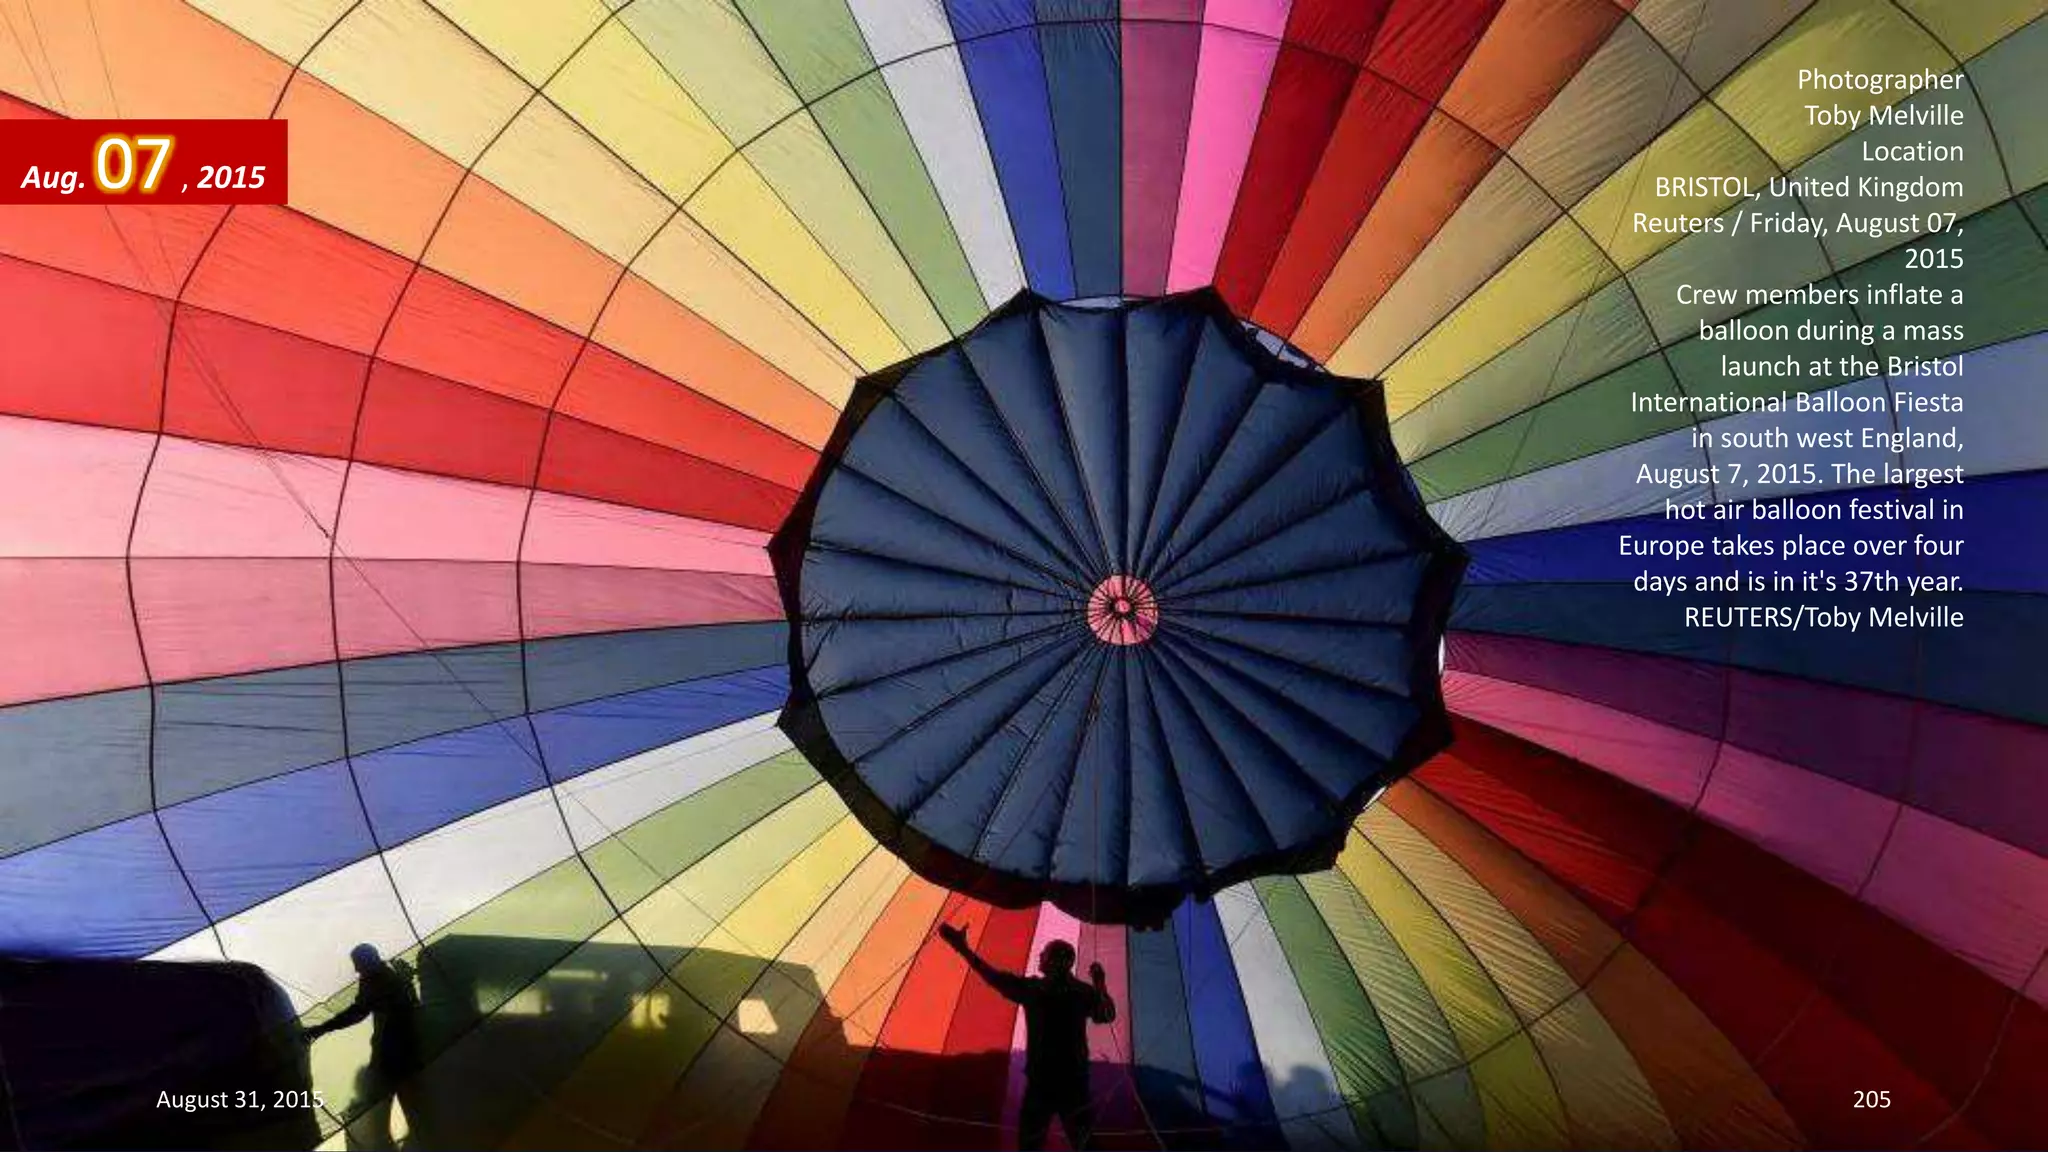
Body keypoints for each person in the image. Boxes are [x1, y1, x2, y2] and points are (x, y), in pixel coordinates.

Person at [939, 923, 1115, 1150]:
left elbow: (992, 977)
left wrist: (962, 949)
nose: (1040, 957)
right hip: (1074, 1082)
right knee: (1085, 1143)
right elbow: (1108, 1015)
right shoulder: (1082, 993)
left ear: (1051, 961)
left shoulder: (1034, 990)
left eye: (1044, 954)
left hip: (1042, 1083)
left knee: (1031, 1145)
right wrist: (1099, 984)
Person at [302, 944, 429, 1150]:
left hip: (392, 1054)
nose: (356, 970)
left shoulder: (377, 980)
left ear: (368, 961)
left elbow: (358, 1012)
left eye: (358, 965)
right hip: (404, 1050)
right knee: (410, 1104)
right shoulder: (389, 976)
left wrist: (320, 1029)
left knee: (379, 1108)